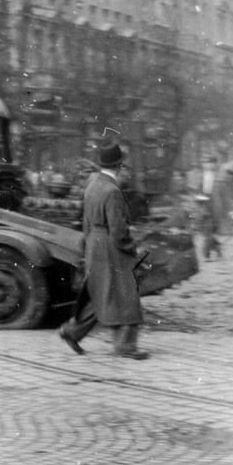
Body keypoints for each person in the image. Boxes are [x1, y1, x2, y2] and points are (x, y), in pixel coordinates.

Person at [58, 139, 149, 360]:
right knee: (127, 295)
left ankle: (72, 332)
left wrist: (88, 247)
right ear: (119, 166)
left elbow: (86, 222)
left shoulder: (92, 186)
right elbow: (118, 230)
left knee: (101, 294)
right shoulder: (112, 191)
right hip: (111, 247)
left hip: (94, 244)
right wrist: (131, 248)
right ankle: (125, 346)